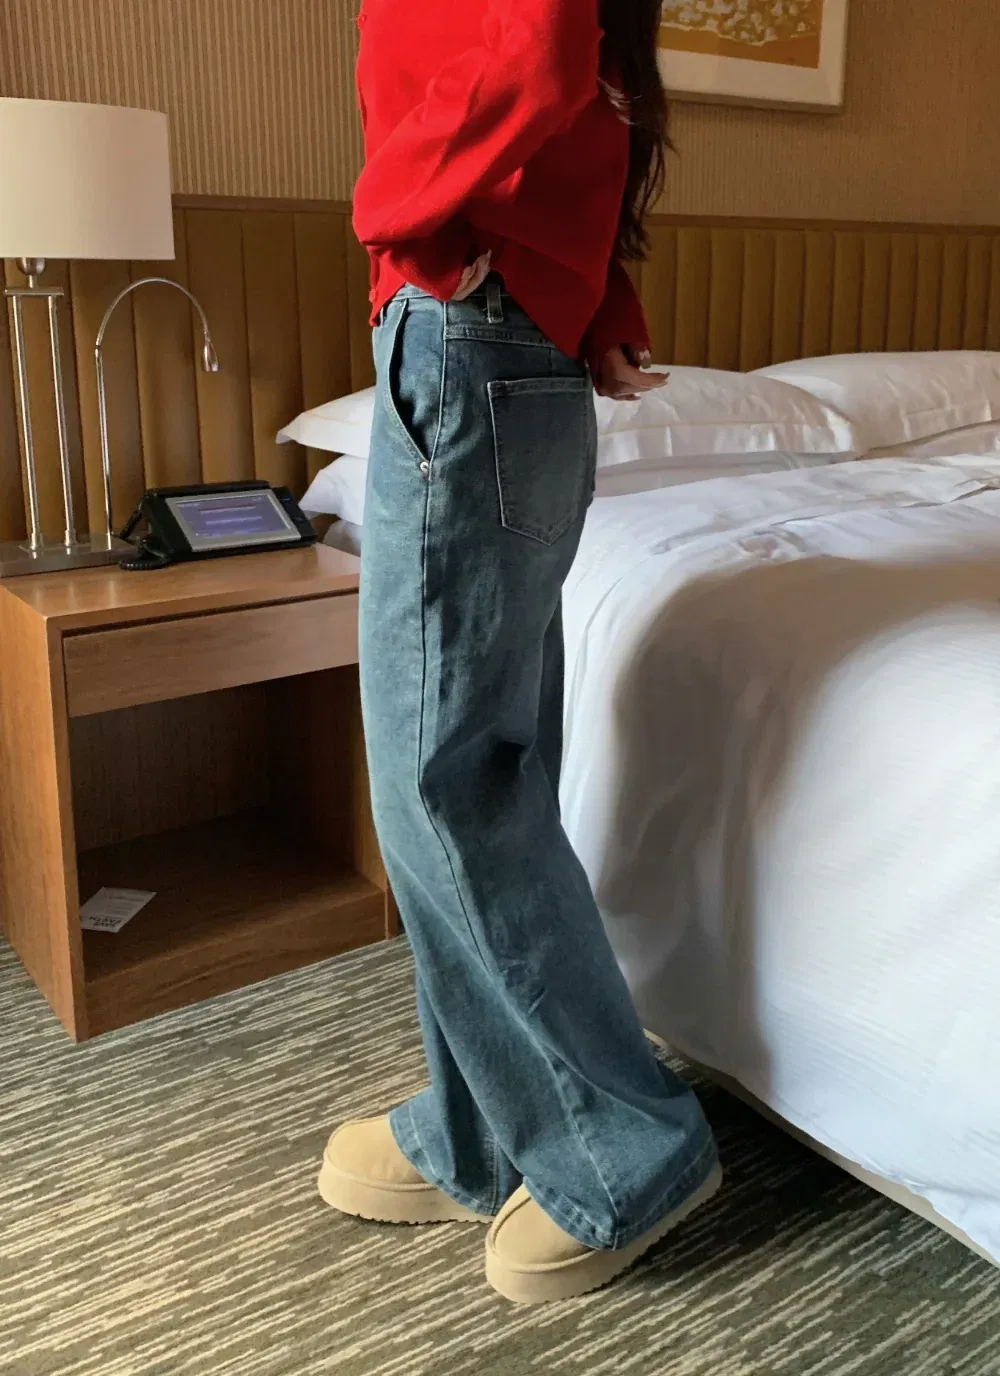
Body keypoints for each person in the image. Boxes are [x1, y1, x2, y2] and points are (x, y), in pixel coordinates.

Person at [317, 0, 721, 1304]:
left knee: (442, 782)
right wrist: (589, 293)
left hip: (463, 329)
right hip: (503, 343)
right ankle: (483, 1126)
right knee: (482, 763)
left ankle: (625, 1152)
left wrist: (400, 215)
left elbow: (538, 51)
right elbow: (573, 96)